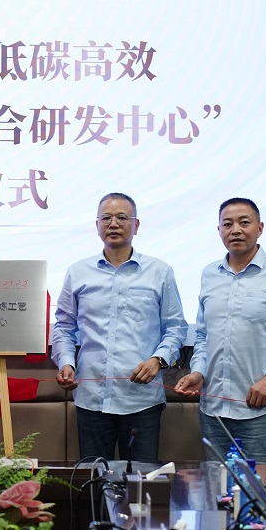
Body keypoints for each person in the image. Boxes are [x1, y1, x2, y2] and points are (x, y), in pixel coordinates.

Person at [173, 198, 266, 463]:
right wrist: (198, 371)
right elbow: (203, 335)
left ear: (260, 228)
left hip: (260, 412)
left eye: (244, 222)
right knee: (217, 486)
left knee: (259, 487)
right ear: (219, 230)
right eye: (227, 224)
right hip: (213, 410)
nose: (235, 230)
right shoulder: (209, 274)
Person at [52, 192, 188, 462]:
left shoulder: (159, 272)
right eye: (106, 218)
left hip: (141, 401)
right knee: (94, 479)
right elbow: (64, 327)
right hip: (91, 399)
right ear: (97, 226)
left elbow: (176, 328)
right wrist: (66, 362)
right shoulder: (78, 272)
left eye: (122, 217)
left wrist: (158, 361)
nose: (113, 223)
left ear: (136, 225)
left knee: (140, 481)